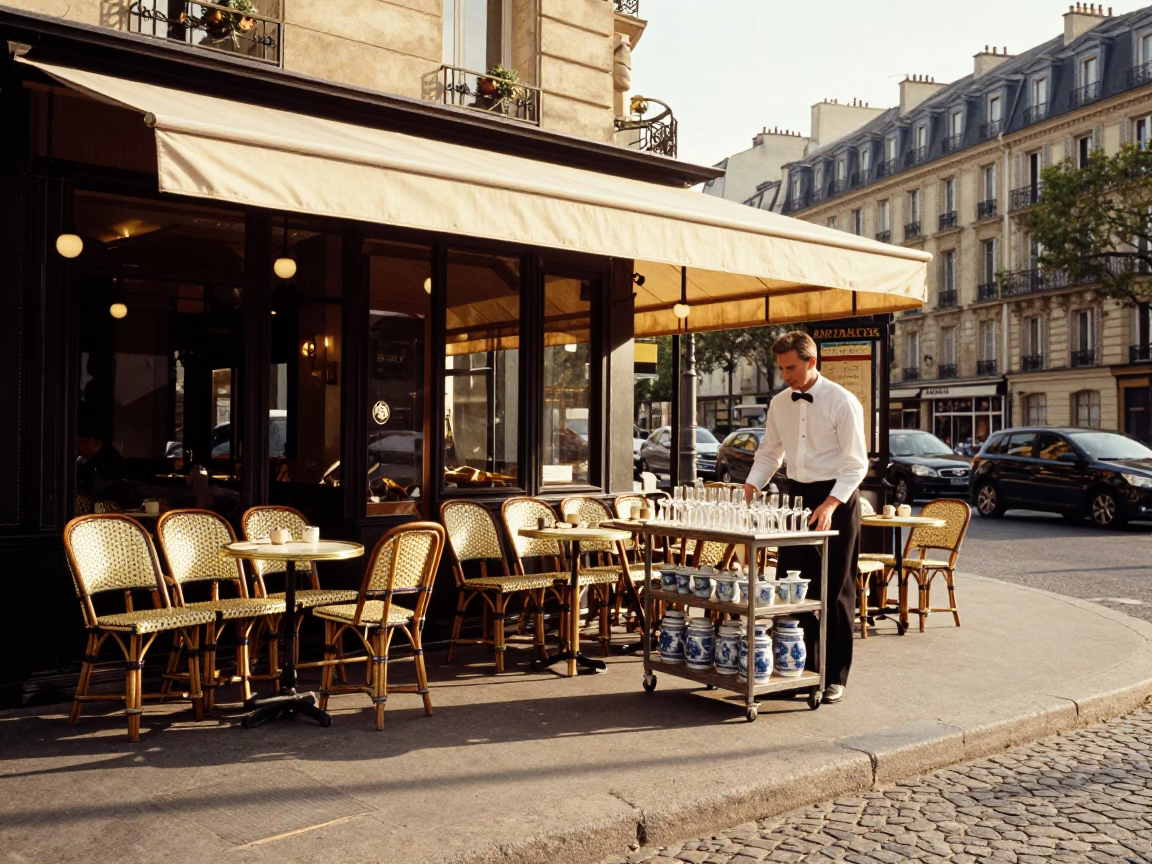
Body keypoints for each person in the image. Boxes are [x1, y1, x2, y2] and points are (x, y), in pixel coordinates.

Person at [742, 330, 867, 705]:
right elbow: (769, 453)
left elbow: (856, 463)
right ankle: (797, 669)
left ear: (812, 361)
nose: (786, 376)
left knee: (835, 588)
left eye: (791, 368)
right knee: (791, 588)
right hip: (794, 497)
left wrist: (830, 504)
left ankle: (833, 676)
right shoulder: (780, 402)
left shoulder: (843, 401)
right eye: (781, 368)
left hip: (836, 497)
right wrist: (751, 486)